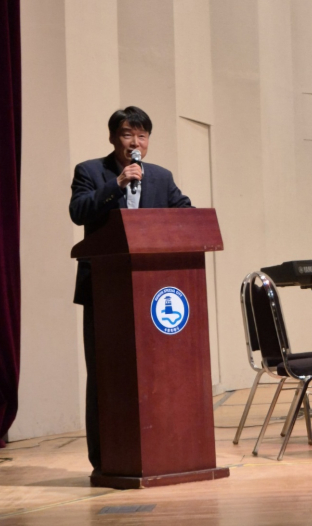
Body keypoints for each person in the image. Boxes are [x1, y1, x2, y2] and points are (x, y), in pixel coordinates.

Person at [69, 106, 192, 474]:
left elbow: (185, 213)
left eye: (141, 136)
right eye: (127, 135)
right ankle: (105, 461)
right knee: (106, 374)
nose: (135, 143)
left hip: (153, 291)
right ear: (113, 138)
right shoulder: (91, 172)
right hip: (106, 292)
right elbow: (79, 211)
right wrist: (117, 184)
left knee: (157, 372)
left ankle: (162, 452)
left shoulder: (161, 177)